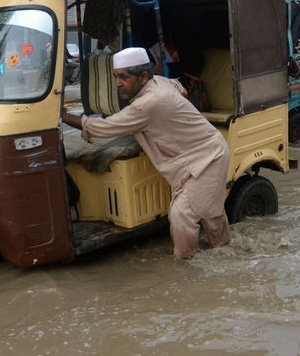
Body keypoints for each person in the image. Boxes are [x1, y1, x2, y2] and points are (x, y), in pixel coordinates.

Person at [62, 47, 231, 259]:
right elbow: (182, 90)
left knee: (183, 215)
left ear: (143, 77)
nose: (118, 84)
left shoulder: (147, 104)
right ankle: (224, 252)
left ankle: (188, 267)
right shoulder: (160, 81)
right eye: (116, 77)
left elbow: (103, 128)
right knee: (209, 213)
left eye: (124, 77)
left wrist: (63, 116)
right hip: (192, 157)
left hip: (208, 156)